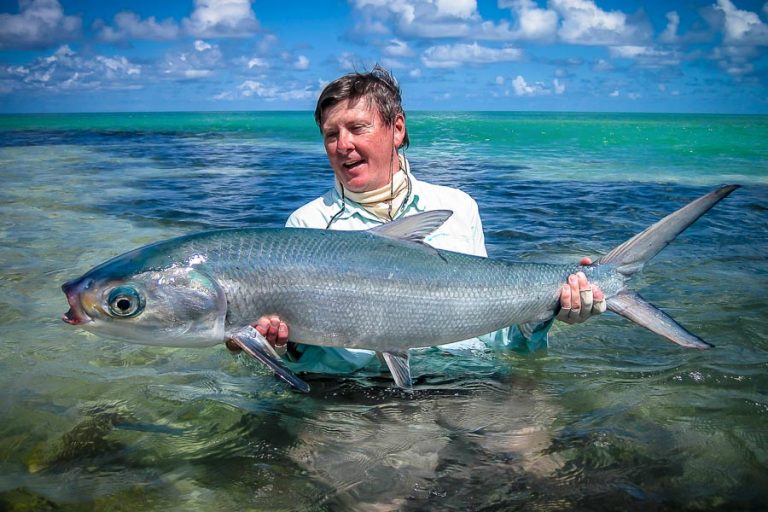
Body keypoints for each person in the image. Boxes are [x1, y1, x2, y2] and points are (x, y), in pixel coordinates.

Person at [232, 65, 605, 376]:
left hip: (468, 381)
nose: (342, 145)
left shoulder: (457, 206)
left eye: (357, 128)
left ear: (396, 129)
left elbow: (501, 339)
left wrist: (548, 311)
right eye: (331, 134)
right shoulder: (307, 224)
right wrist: (277, 345)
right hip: (356, 396)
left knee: (539, 462)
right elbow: (306, 356)